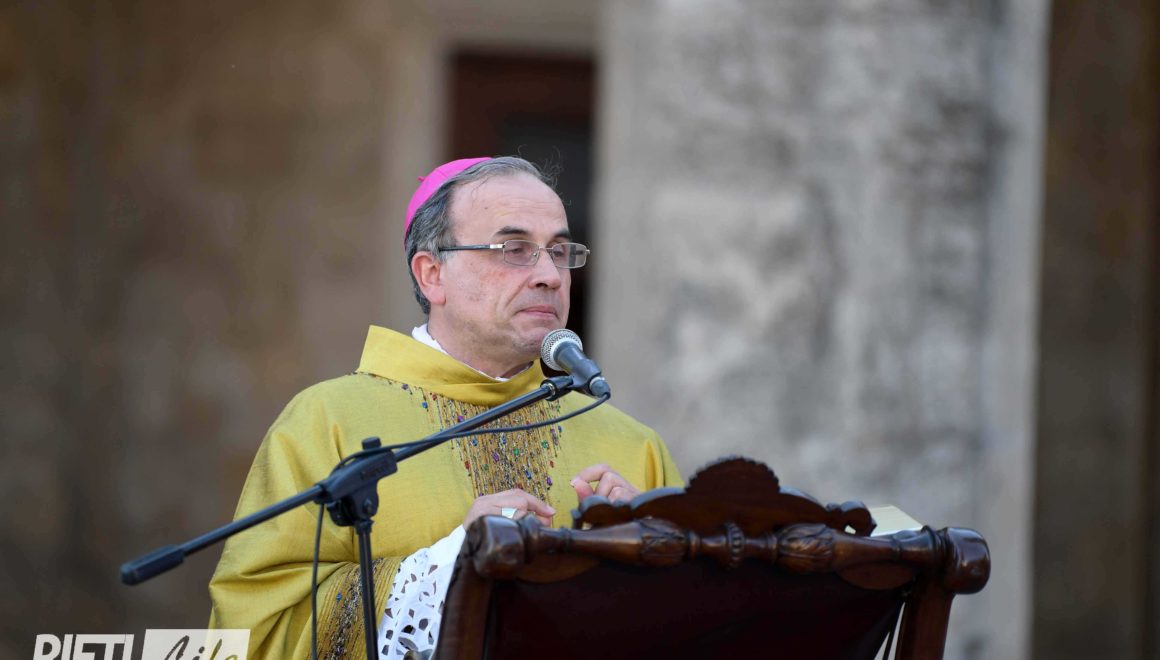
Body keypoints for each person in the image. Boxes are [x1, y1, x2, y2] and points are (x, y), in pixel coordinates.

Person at [208, 156, 683, 659]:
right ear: (432, 274)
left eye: (560, 252)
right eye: (515, 249)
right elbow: (252, 635)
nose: (550, 275)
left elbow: (709, 631)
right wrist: (447, 568)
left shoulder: (633, 446)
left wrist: (651, 569)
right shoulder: (327, 421)